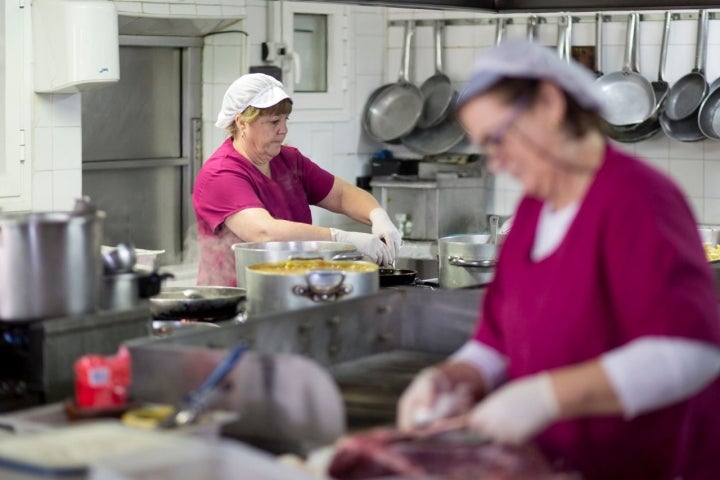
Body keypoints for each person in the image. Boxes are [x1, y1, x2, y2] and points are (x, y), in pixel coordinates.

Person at [397, 40, 720, 480]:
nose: (495, 163)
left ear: (549, 102)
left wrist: (547, 397)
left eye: (497, 139)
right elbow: (497, 339)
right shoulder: (533, 212)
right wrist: (455, 376)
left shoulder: (636, 199)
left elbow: (689, 353)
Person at [192, 73, 401, 286]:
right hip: (237, 300)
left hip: (291, 292)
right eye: (274, 121)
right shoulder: (221, 173)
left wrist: (377, 216)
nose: (283, 130)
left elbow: (341, 194)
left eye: (285, 120)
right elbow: (263, 232)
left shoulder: (289, 160)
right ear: (242, 123)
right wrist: (340, 239)